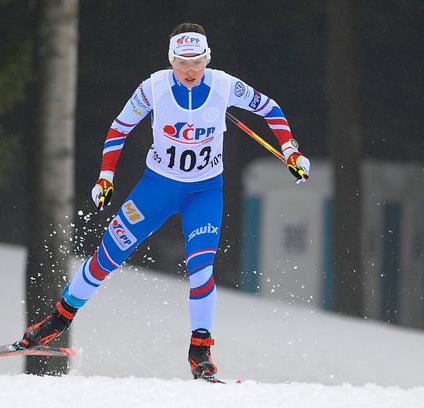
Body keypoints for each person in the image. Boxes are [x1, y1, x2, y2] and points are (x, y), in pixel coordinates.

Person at [16, 22, 310, 379]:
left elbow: (270, 108)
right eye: (182, 62)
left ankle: (200, 350)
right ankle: (58, 318)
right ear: (171, 59)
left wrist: (291, 150)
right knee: (108, 255)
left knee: (201, 268)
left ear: (207, 59)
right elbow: (119, 129)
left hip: (204, 192)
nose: (190, 71)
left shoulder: (223, 85)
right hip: (156, 188)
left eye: (197, 62)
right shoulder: (152, 88)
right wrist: (105, 176)